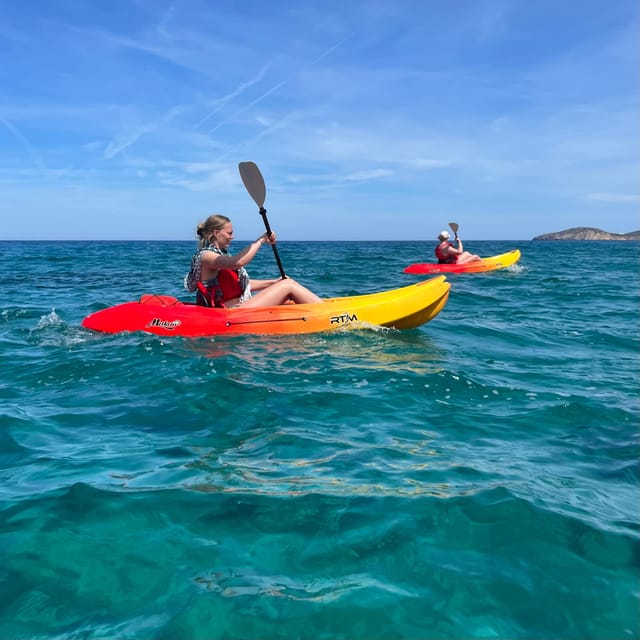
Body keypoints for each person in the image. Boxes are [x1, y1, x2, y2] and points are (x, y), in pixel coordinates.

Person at [184, 214, 323, 308]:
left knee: (288, 300)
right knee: (289, 286)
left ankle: (322, 310)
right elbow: (237, 262)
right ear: (216, 233)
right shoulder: (206, 256)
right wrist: (260, 240)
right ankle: (330, 313)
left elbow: (241, 283)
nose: (232, 237)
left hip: (238, 307)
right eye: (229, 233)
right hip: (229, 313)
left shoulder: (220, 255)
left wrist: (274, 282)